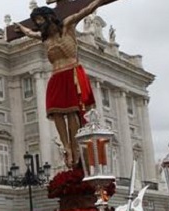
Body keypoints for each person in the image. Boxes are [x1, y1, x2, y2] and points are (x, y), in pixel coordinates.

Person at [16, 1, 109, 167]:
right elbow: (30, 33)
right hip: (56, 76)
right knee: (56, 111)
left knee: (72, 111)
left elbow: (87, 9)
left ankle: (74, 147)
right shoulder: (44, 38)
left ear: (49, 18)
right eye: (36, 21)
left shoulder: (67, 26)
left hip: (71, 72)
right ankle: (66, 146)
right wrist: (21, 29)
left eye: (40, 19)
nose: (39, 24)